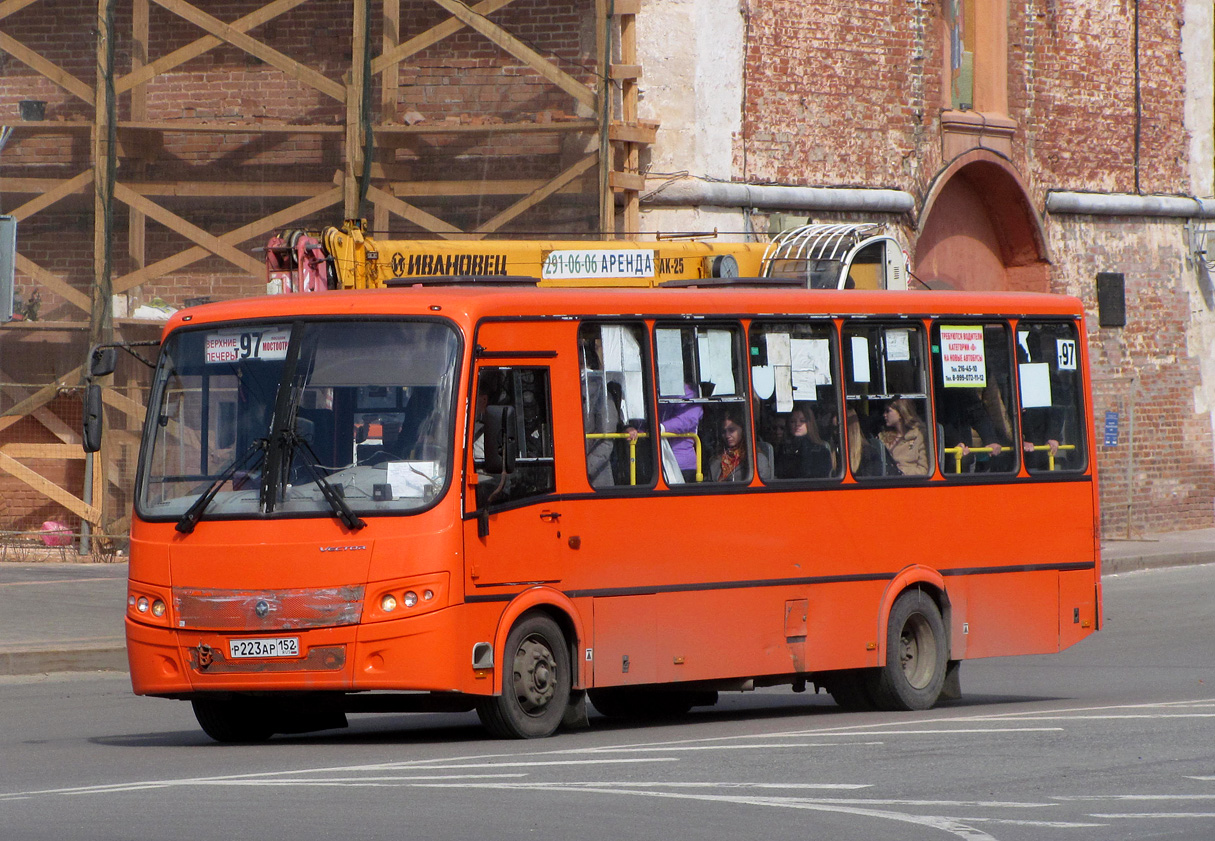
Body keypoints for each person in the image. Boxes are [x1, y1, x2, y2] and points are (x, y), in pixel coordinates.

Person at [775, 403, 835, 478]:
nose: (797, 424)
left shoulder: (821, 450)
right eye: (793, 421)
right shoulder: (783, 449)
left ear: (809, 423)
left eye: (802, 421)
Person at [710, 408, 770, 482]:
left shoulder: (757, 460)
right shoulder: (716, 459)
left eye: (732, 430)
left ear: (743, 430)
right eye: (724, 431)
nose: (727, 435)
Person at [878, 397, 929, 476]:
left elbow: (924, 470)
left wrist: (900, 471)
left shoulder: (920, 435)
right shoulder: (883, 437)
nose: (884, 415)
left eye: (888, 411)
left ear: (901, 413)